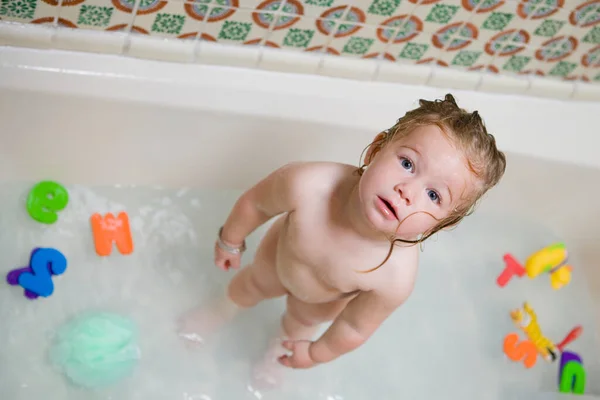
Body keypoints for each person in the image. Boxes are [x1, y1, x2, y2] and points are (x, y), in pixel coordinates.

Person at [178, 93, 506, 387]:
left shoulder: (395, 276)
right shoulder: (309, 184)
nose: (407, 192)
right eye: (407, 163)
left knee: (298, 327)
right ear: (377, 149)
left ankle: (278, 351)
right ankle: (219, 310)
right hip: (276, 258)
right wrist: (230, 240)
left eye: (433, 195)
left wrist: (316, 354)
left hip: (322, 301)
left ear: (444, 223)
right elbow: (256, 204)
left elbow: (354, 327)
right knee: (248, 286)